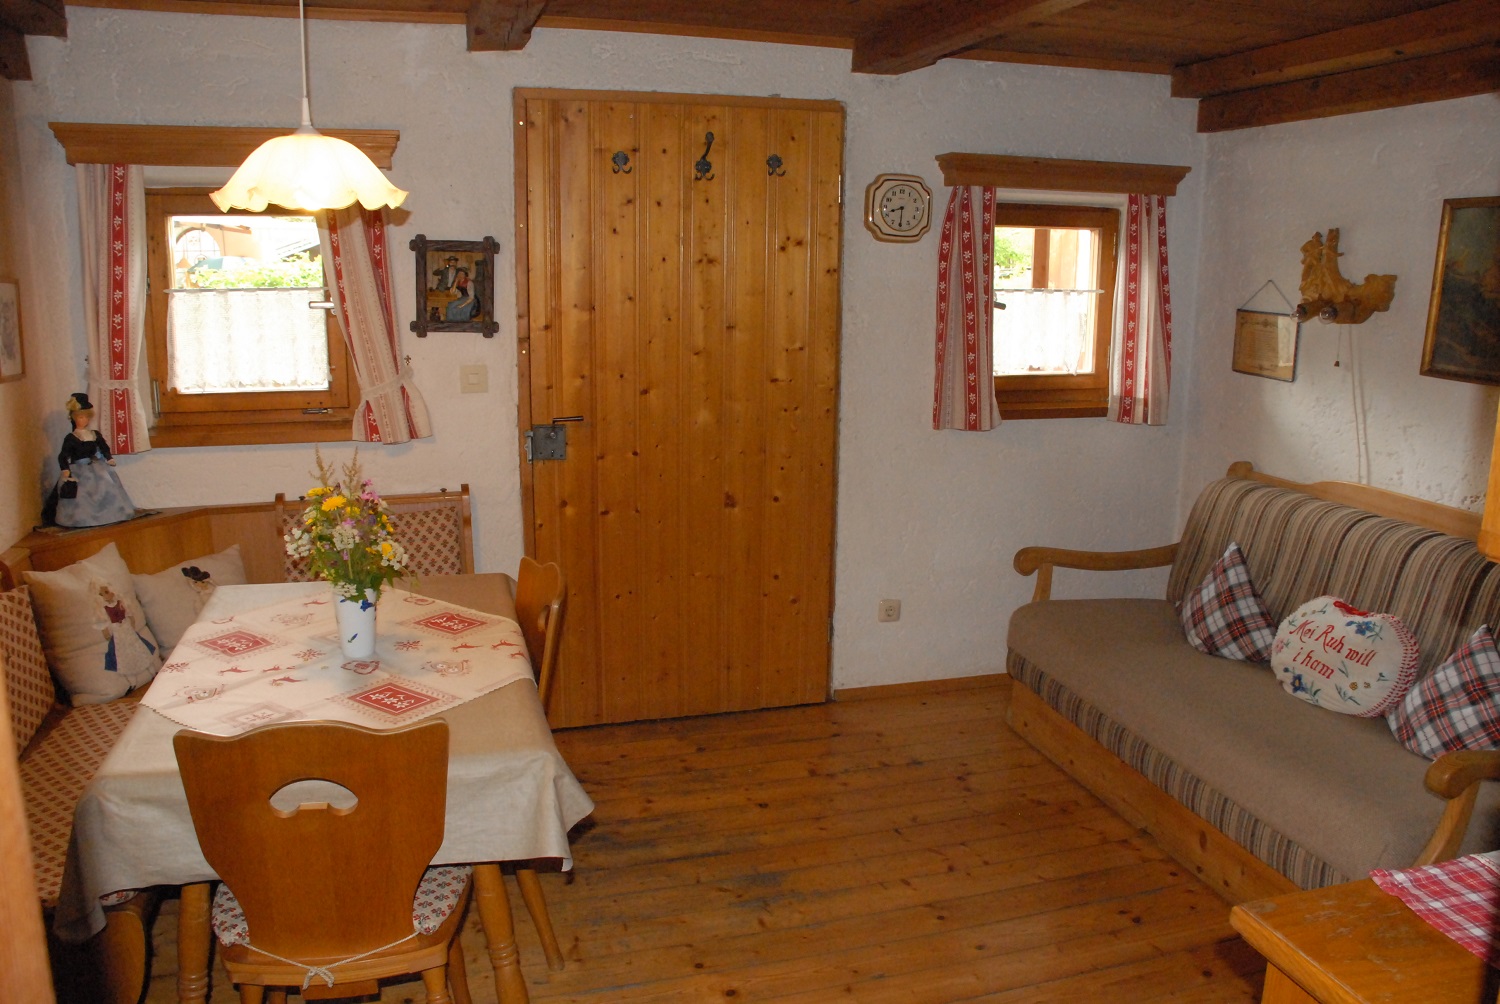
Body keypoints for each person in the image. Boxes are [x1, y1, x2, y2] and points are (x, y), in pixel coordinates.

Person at [43, 392, 138, 527]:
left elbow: (104, 447)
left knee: (106, 487)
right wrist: (65, 469)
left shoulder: (94, 434)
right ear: (74, 418)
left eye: (86, 417)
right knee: (82, 496)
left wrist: (108, 457)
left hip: (96, 467)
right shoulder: (71, 438)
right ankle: (80, 519)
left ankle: (110, 515)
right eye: (81, 417)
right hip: (79, 470)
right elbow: (63, 455)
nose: (84, 420)